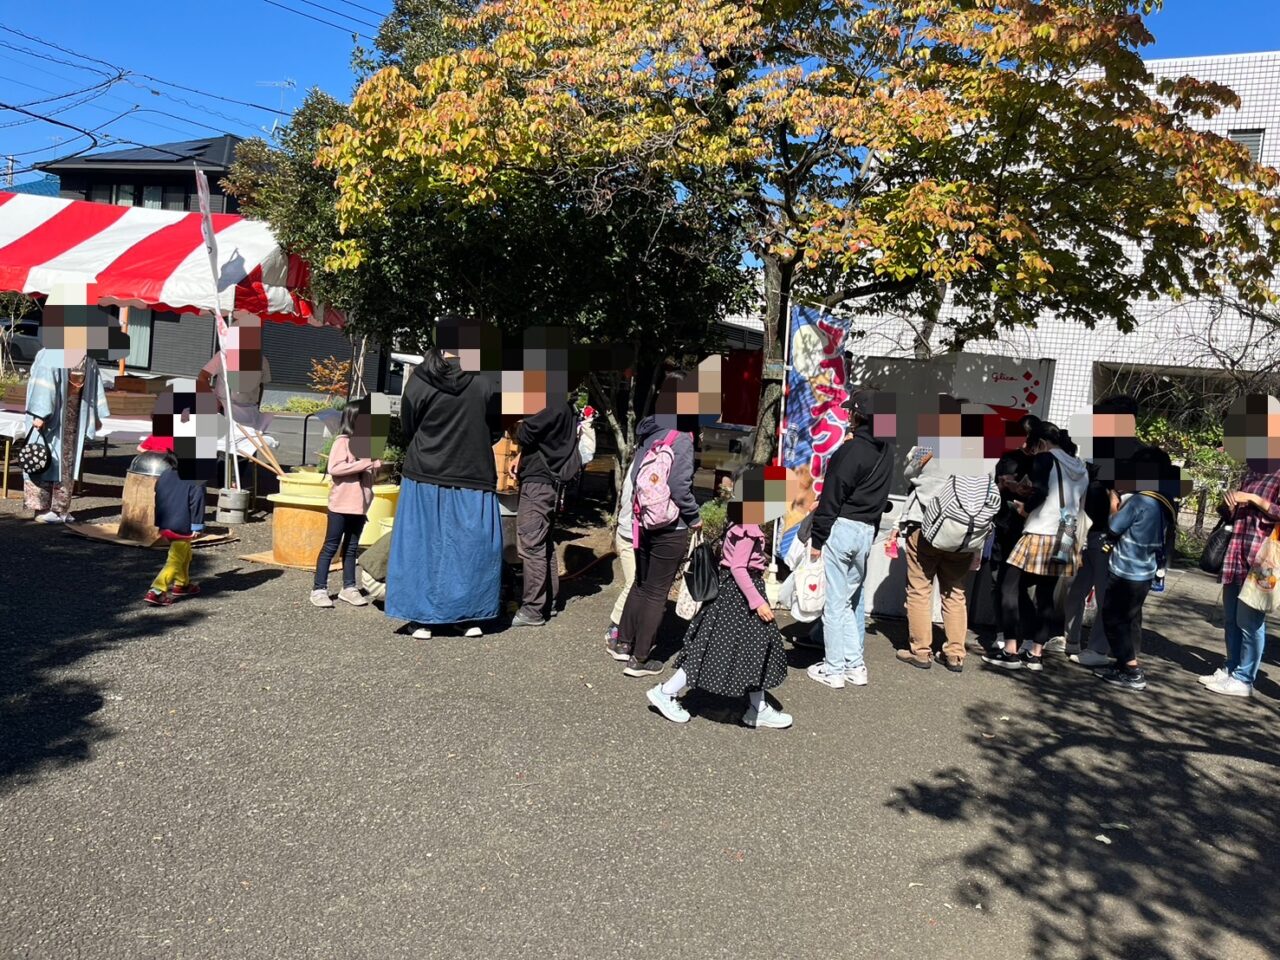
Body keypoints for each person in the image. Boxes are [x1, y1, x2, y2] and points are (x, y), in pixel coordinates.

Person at [645, 466, 792, 728]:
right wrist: (758, 602)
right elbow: (738, 567)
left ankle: (756, 708)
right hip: (740, 597)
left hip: (734, 595)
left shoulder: (741, 517)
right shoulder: (748, 525)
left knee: (747, 649)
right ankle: (666, 692)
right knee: (719, 649)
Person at [386, 335, 503, 640]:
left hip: (425, 470)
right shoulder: (487, 381)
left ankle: (421, 619)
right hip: (473, 473)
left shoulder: (420, 378)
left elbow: (408, 424)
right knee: (470, 549)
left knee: (421, 547)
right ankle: (468, 617)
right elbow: (496, 428)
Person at [895, 398, 1001, 673]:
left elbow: (909, 472)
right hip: (965, 533)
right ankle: (955, 653)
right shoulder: (983, 452)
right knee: (956, 591)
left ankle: (920, 651)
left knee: (920, 588)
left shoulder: (931, 443)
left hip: (925, 525)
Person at [609, 370, 703, 677]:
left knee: (640, 583)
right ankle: (640, 658)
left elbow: (637, 475)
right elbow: (680, 486)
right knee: (657, 592)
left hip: (643, 520)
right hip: (669, 525)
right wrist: (694, 517)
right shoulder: (682, 439)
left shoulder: (651, 430)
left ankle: (622, 643)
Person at [806, 389, 895, 690]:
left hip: (841, 529)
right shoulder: (887, 450)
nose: (848, 415)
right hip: (866, 530)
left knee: (835, 605)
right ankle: (855, 666)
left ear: (860, 416)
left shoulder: (850, 450)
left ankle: (833, 669)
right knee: (848, 602)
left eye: (851, 412)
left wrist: (817, 540)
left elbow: (832, 496)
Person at [983, 421, 1087, 671]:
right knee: (1046, 594)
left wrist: (1024, 509)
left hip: (1041, 530)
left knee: (1008, 585)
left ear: (1040, 443)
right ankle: (1036, 654)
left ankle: (1010, 650)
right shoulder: (1080, 466)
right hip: (1066, 532)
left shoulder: (1046, 459)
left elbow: (1040, 493)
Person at [1201, 394, 1280, 698]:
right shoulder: (1254, 469)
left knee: (1250, 619)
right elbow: (1242, 509)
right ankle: (1231, 667)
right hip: (1237, 551)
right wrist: (1233, 503)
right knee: (1232, 617)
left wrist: (1255, 500)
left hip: (1263, 557)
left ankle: (1245, 678)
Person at [1064, 396, 1142, 667]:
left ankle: (1098, 649)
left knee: (1105, 597)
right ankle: (1068, 639)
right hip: (1085, 531)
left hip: (1112, 537)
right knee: (1074, 589)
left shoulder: (1137, 454)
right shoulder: (1096, 449)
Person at [1094, 447, 1179, 692]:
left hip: (1125, 569)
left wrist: (1113, 503)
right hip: (1145, 569)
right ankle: (1123, 665)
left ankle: (1132, 671)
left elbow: (1114, 526)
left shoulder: (1141, 499)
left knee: (1113, 619)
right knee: (1128, 619)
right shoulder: (1165, 499)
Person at [510, 393, 578, 627]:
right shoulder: (562, 403)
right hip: (547, 480)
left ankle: (532, 609)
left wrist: (514, 419)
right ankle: (546, 601)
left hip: (539, 483)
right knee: (542, 542)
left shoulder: (550, 402)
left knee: (532, 545)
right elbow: (540, 438)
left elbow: (525, 433)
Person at [23, 347, 110, 524]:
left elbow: (94, 386)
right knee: (45, 459)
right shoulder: (52, 353)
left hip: (75, 414)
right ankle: (42, 508)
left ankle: (61, 509)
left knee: (67, 463)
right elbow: (43, 381)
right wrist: (40, 413)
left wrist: (95, 415)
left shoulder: (88, 358)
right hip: (53, 415)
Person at [311, 398, 382, 609]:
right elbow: (335, 468)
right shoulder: (342, 442)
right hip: (340, 506)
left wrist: (376, 468)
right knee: (331, 546)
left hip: (360, 508)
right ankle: (319, 589)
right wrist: (366, 463)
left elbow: (368, 475)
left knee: (351, 549)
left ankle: (348, 587)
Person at [604, 465, 637, 647]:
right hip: (630, 531)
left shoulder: (642, 456)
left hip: (630, 530)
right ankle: (615, 624)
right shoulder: (650, 457)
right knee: (634, 582)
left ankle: (627, 625)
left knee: (638, 584)